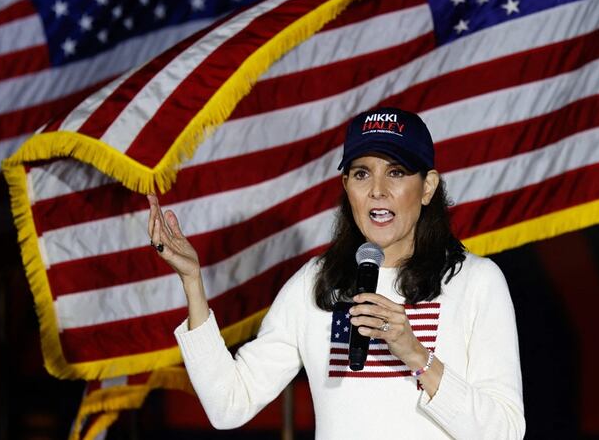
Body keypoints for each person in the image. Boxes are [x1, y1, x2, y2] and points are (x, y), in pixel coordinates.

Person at [147, 106, 525, 439]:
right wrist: (192, 282)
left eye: (395, 172)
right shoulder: (316, 283)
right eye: (362, 174)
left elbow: (504, 433)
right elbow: (230, 404)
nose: (377, 190)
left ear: (427, 187)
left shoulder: (475, 281)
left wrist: (415, 354)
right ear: (347, 187)